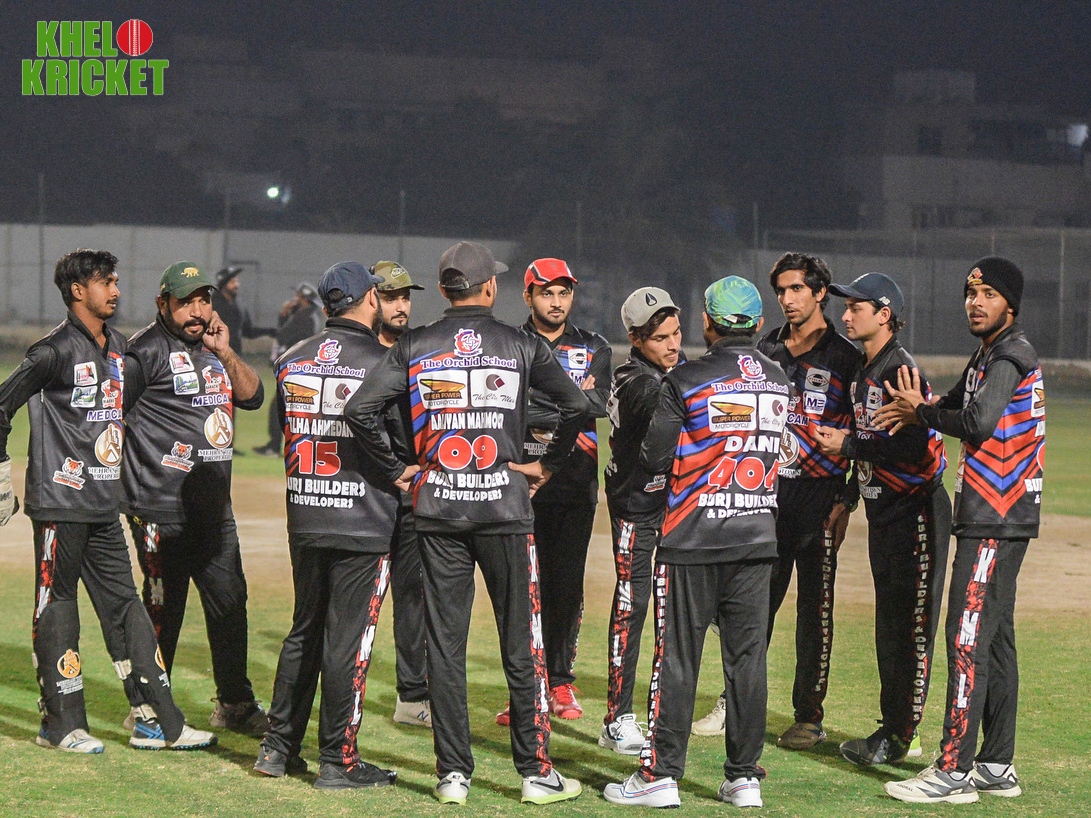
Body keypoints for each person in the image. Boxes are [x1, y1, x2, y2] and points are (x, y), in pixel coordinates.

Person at [345, 240, 590, 806]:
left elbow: (360, 410)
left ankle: (453, 774)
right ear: (490, 287)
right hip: (504, 510)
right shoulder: (521, 343)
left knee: (445, 646)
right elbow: (578, 406)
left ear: (445, 289)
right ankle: (535, 772)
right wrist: (547, 466)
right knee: (521, 645)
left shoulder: (416, 344)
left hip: (438, 511)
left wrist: (397, 472)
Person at [0, 248, 215, 753]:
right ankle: (61, 725)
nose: (115, 290)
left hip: (104, 503)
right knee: (58, 606)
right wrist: (2, 476)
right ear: (78, 291)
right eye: (105, 282)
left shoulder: (120, 348)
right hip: (59, 502)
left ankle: (157, 721)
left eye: (115, 281)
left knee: (127, 607)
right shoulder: (51, 352)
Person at [603, 276, 788, 809]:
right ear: (757, 323)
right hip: (758, 538)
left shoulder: (686, 379)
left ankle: (660, 775)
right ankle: (743, 778)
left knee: (678, 658)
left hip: (693, 539)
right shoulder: (778, 379)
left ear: (708, 322)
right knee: (748, 661)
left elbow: (654, 458)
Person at [878, 257, 1043, 804]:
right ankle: (995, 765)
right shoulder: (988, 353)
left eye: (988, 294)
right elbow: (952, 403)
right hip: (997, 516)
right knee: (994, 640)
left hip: (995, 515)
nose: (975, 302)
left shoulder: (1010, 355)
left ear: (1010, 305)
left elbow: (976, 423)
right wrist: (920, 407)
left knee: (966, 635)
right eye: (971, 293)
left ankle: (952, 771)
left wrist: (921, 413)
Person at [693, 253, 860, 746]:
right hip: (766, 501)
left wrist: (848, 498)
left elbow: (864, 431)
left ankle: (809, 716)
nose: (787, 299)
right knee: (751, 610)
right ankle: (733, 703)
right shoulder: (765, 349)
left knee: (815, 614)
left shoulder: (845, 357)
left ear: (820, 292)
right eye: (781, 291)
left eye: (797, 289)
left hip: (820, 502)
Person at [256, 261, 400, 789]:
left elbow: (284, 429)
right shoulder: (385, 361)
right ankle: (338, 760)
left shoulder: (292, 358)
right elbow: (399, 440)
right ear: (370, 300)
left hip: (306, 511)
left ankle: (277, 749)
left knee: (304, 630)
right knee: (348, 640)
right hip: (364, 516)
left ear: (324, 305)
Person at [119, 261, 268, 742]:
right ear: (163, 304)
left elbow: (253, 396)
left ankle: (235, 704)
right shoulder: (144, 352)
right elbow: (108, 418)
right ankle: (147, 709)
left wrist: (225, 352)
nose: (197, 311)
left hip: (213, 508)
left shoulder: (213, 349)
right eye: (186, 302)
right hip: (160, 509)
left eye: (204, 300)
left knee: (230, 604)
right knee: (165, 611)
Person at [813, 272, 951, 767]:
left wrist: (848, 446)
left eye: (856, 307)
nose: (846, 315)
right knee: (889, 627)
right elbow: (873, 443)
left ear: (884, 314)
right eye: (846, 306)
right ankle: (895, 729)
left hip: (916, 512)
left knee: (910, 629)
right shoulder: (863, 370)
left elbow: (915, 447)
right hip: (885, 513)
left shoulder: (899, 370)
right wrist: (849, 495)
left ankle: (900, 736)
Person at [494, 258, 610, 726]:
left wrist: (541, 401)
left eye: (564, 292)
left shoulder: (594, 346)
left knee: (566, 588)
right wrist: (570, 400)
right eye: (546, 293)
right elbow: (508, 404)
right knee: (522, 591)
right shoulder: (510, 343)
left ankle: (560, 682)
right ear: (528, 296)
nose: (556, 302)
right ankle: (526, 688)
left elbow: (598, 404)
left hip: (575, 483)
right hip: (521, 484)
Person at [599, 286, 682, 755]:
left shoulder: (664, 374)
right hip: (636, 507)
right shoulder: (638, 381)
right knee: (632, 607)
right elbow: (671, 413)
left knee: (668, 609)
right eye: (659, 338)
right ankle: (617, 718)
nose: (672, 345)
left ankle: (657, 713)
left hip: (666, 506)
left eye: (676, 333)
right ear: (635, 338)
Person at [371, 260, 431, 729]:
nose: (402, 305)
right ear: (371, 300)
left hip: (411, 496)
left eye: (406, 296)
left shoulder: (421, 350)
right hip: (366, 497)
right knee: (354, 603)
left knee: (414, 598)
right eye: (391, 296)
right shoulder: (358, 353)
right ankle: (341, 690)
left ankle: (412, 696)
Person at [254, 282, 324, 455]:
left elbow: (282, 335)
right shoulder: (310, 316)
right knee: (295, 410)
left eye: (298, 296)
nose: (295, 299)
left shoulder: (303, 317)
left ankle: (276, 447)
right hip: (305, 369)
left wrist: (283, 315)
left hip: (297, 369)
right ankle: (293, 447)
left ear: (305, 300)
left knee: (280, 408)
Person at [211, 265, 274, 356]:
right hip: (214, 356)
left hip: (234, 355)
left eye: (237, 281)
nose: (237, 285)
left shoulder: (239, 305)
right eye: (232, 282)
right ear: (223, 284)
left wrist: (269, 331)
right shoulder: (211, 305)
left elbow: (248, 331)